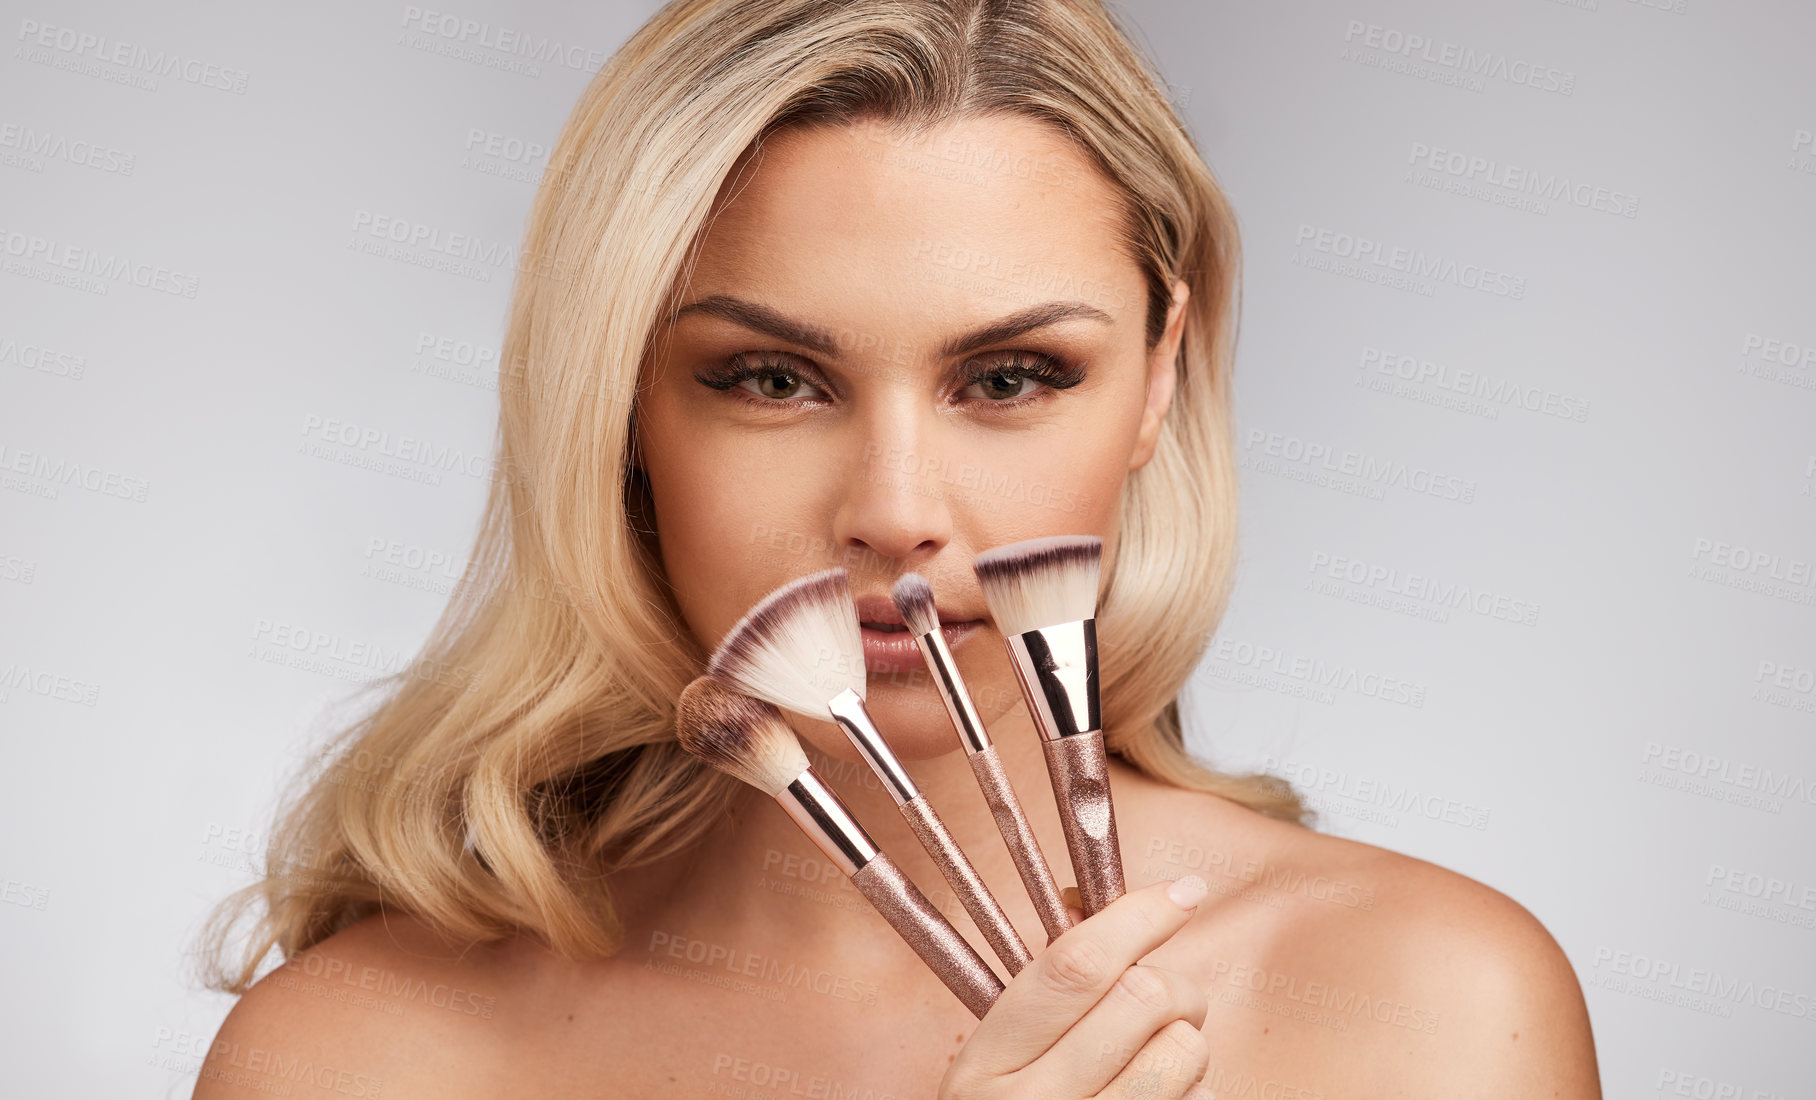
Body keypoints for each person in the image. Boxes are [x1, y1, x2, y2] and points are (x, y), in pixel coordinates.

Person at [192, 2, 1601, 1096]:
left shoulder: (1435, 1007)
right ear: (620, 405)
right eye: (770, 379)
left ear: (1159, 379)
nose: (894, 509)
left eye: (1009, 379)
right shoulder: (358, 1057)